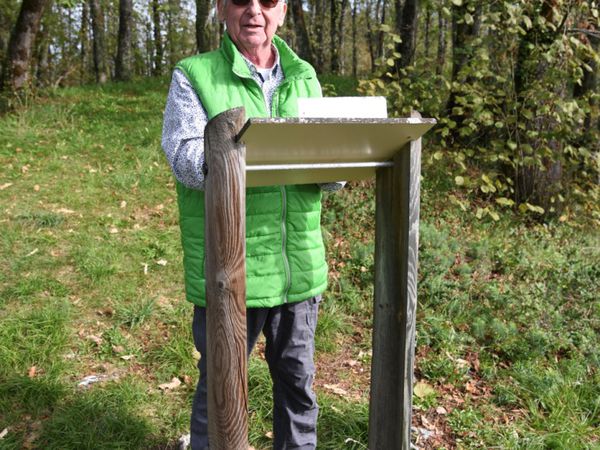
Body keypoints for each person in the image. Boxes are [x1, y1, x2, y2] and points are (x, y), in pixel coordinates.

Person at [161, 0, 343, 448]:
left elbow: (332, 176)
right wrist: (257, 150)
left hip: (298, 270)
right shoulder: (195, 74)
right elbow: (185, 159)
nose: (254, 11)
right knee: (220, 394)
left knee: (298, 392)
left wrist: (334, 159)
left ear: (282, 11)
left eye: (267, 1)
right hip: (230, 274)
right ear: (222, 8)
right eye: (241, 0)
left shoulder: (304, 76)